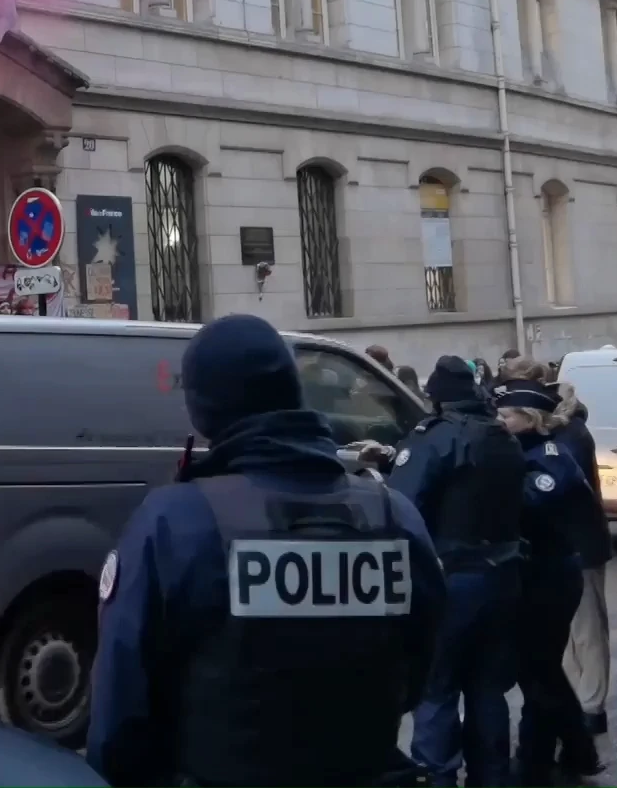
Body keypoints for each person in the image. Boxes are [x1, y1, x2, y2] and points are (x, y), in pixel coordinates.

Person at [87, 314, 446, 787]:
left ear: (203, 413)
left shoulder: (174, 524)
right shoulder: (393, 516)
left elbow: (117, 726)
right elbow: (417, 672)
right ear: (292, 391)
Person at [385, 356, 527, 787]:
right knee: (487, 689)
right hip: (503, 575)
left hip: (452, 579)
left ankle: (437, 777)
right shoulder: (502, 436)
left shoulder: (436, 437)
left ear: (437, 398)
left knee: (437, 688)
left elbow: (401, 506)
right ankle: (492, 777)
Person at [494, 379, 601, 783]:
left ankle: (539, 757)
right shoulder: (525, 449)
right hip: (536, 572)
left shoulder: (553, 455)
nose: (499, 422)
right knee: (540, 669)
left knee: (538, 668)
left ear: (531, 418)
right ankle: (575, 749)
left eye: (506, 416)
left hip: (552, 575)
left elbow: (531, 503)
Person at [549, 376, 615, 738]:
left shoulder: (570, 434)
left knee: (587, 629)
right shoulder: (565, 432)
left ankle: (591, 705)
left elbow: (563, 484)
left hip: (582, 543)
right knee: (572, 630)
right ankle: (580, 698)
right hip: (572, 542)